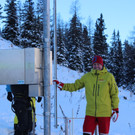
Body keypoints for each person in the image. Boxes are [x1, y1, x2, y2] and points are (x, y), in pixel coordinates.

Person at [53, 55, 119, 135]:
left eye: (98, 64)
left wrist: (115, 110)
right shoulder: (87, 77)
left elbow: (114, 93)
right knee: (86, 133)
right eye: (94, 64)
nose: (96, 66)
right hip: (90, 112)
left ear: (102, 65)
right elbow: (75, 86)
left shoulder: (109, 77)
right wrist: (63, 86)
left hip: (104, 113)